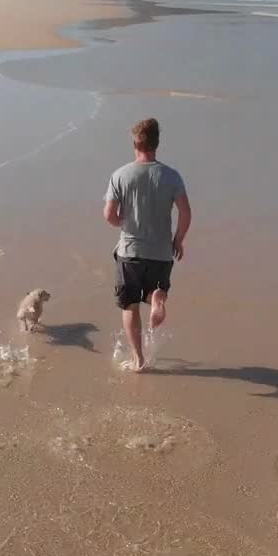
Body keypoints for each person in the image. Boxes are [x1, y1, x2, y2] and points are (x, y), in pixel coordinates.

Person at [102, 118, 191, 372]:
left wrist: (123, 222)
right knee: (153, 289)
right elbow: (186, 212)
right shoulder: (171, 176)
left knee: (130, 304)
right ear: (156, 144)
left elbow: (109, 214)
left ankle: (138, 359)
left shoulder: (120, 175)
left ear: (135, 144)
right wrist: (178, 240)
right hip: (161, 253)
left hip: (130, 252)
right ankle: (157, 298)